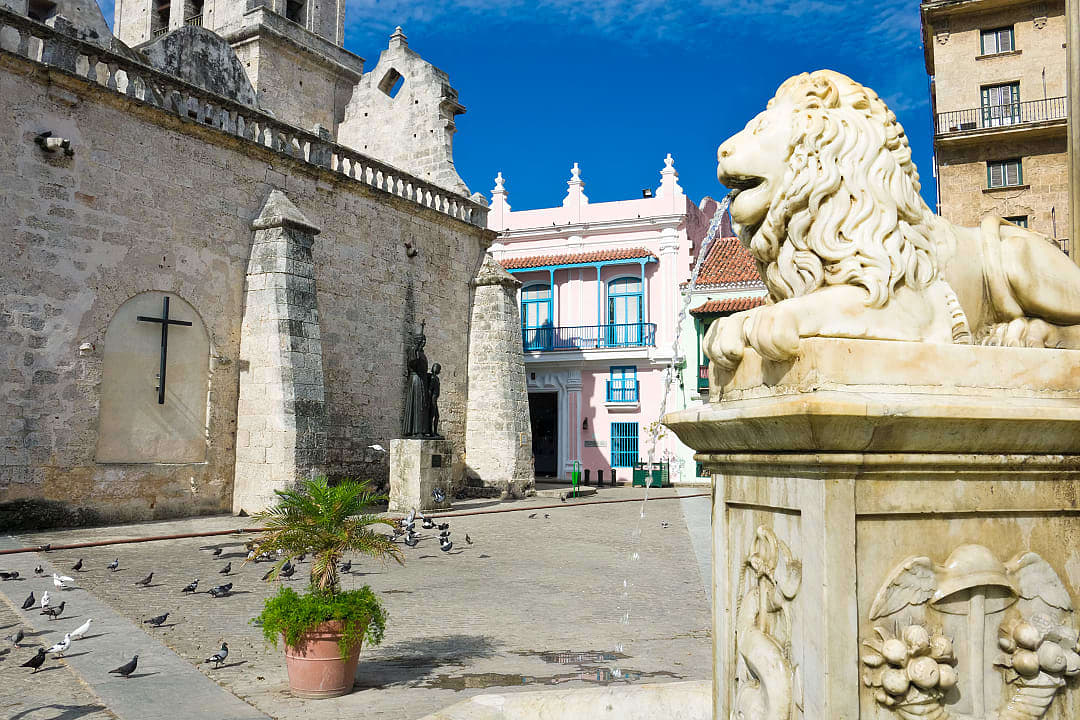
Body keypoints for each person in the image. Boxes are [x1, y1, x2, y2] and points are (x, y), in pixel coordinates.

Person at [402, 330, 429, 437]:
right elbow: (412, 363)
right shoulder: (414, 351)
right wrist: (416, 354)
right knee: (417, 405)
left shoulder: (422, 353)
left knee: (422, 405)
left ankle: (421, 430)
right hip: (416, 380)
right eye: (422, 341)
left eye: (424, 341)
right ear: (418, 342)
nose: (424, 343)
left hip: (422, 380)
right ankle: (416, 430)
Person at [427, 363, 442, 438]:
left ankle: (435, 432)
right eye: (437, 368)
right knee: (432, 416)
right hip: (432, 399)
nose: (438, 370)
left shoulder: (436, 378)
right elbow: (430, 389)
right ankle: (431, 432)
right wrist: (428, 400)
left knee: (437, 416)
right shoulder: (433, 378)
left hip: (435, 399)